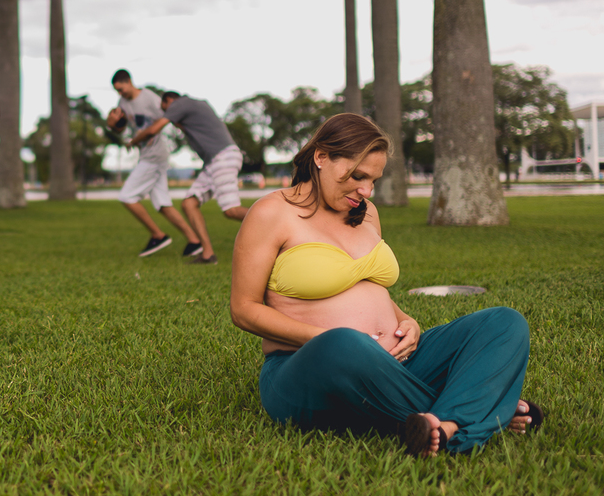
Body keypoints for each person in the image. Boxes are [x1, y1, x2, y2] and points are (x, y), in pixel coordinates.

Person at [230, 113, 543, 456]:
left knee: (503, 323)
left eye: (373, 180)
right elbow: (244, 310)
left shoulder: (366, 212)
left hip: (396, 362)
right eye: (358, 176)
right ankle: (483, 412)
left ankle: (446, 425)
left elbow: (368, 288)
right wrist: (326, 338)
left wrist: (407, 320)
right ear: (321, 157)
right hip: (308, 367)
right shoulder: (271, 213)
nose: (365, 190)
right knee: (343, 343)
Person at [128, 90, 247, 265]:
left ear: (169, 100)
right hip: (215, 161)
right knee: (189, 203)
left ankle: (278, 221)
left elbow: (154, 129)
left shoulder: (180, 104)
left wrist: (133, 141)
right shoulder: (196, 104)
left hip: (223, 157)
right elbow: (184, 126)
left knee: (231, 210)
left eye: (165, 109)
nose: (167, 114)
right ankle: (208, 254)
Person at [105, 70, 200, 258]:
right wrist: (112, 124)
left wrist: (193, 133)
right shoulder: (122, 103)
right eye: (117, 91)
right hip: (146, 155)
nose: (120, 94)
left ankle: (158, 235)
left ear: (129, 81)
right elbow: (121, 128)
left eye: (121, 89)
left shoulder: (149, 98)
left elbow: (171, 117)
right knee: (162, 204)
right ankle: (194, 241)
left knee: (127, 196)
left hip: (155, 155)